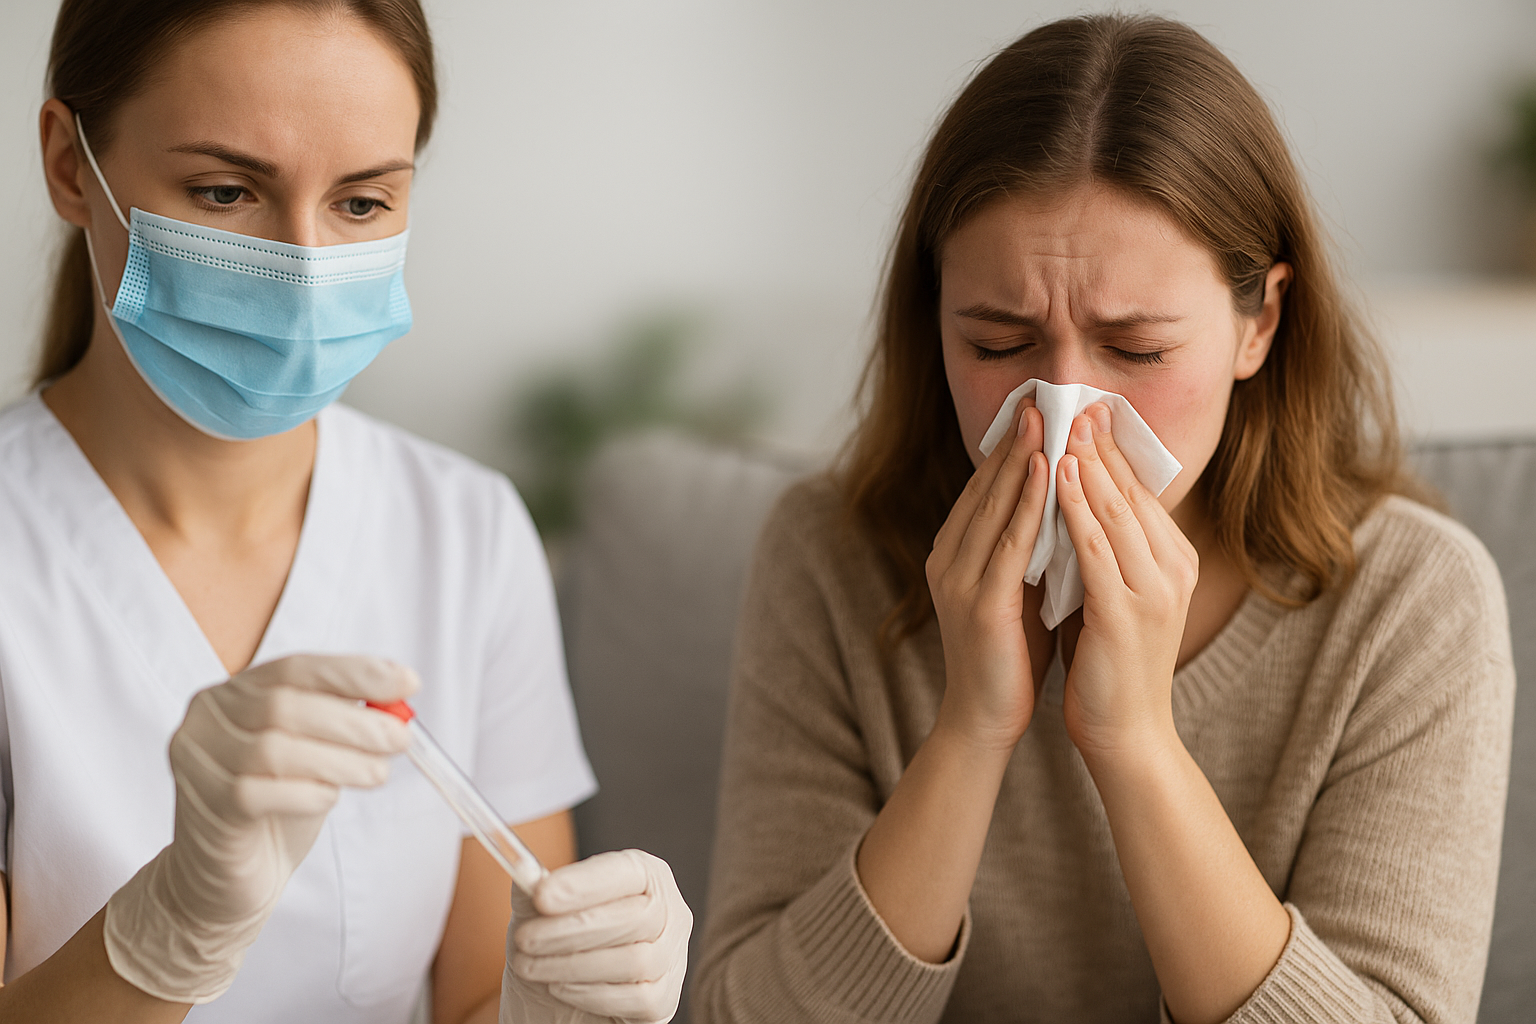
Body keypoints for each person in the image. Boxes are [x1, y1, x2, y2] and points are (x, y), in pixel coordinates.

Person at [694, 14, 1514, 1024]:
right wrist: (971, 729)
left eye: (1136, 350)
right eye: (998, 343)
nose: (1062, 411)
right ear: (934, 318)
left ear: (1258, 323)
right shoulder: (828, 557)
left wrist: (1135, 741)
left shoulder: (1411, 602)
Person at [0, 1, 690, 1022]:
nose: (305, 265)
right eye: (226, 191)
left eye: (362, 203)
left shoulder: (468, 533)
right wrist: (166, 937)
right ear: (70, 165)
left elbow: (476, 993)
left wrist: (554, 1002)